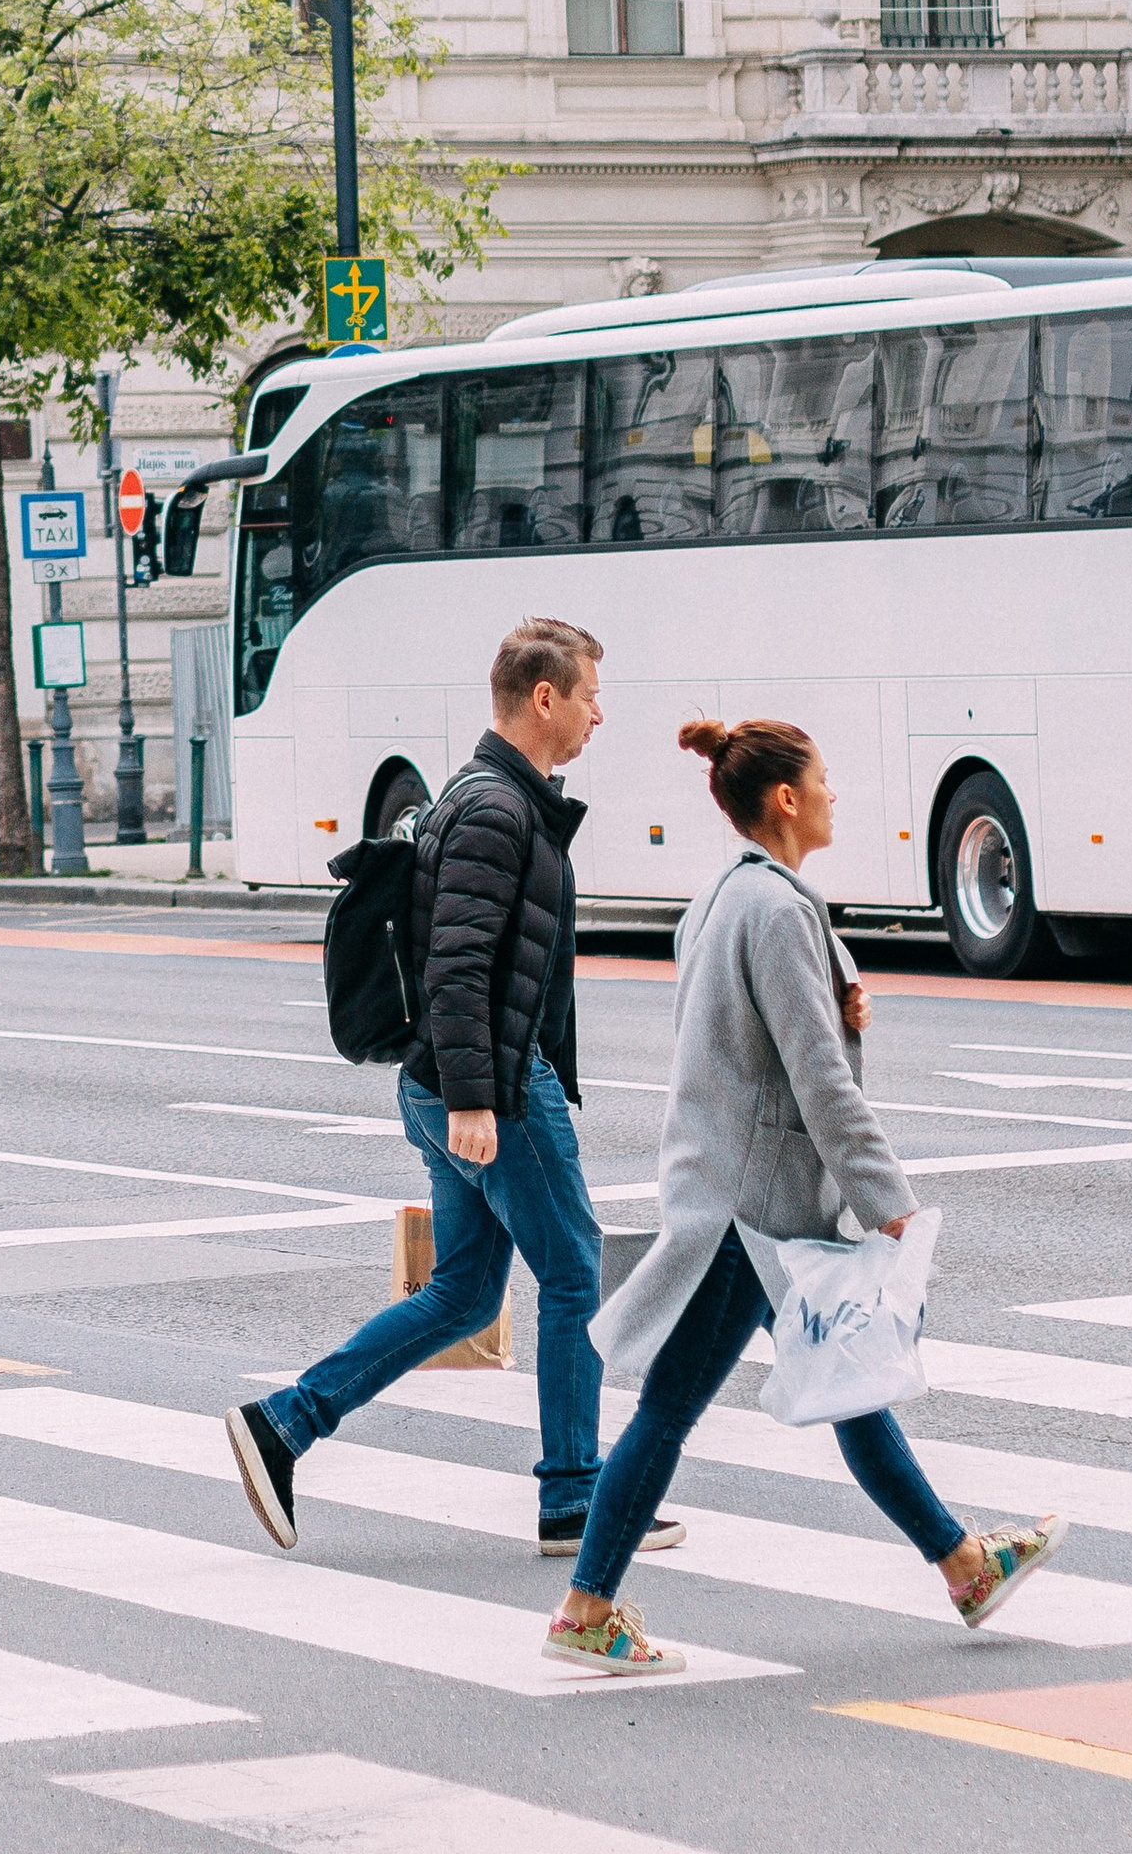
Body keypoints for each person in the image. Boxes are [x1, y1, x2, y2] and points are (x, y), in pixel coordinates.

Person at [545, 713, 1064, 1676]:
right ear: (785, 798)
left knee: (851, 1386)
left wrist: (838, 1000)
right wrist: (891, 1204)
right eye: (823, 778)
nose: (833, 793)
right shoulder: (780, 910)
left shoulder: (726, 899)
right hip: (754, 1212)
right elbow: (820, 1082)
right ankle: (585, 1606)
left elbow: (747, 1035)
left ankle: (962, 1566)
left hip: (737, 1192)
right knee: (674, 1407)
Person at [228, 617, 674, 1567]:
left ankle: (283, 1425)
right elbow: (460, 967)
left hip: (455, 1083)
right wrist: (479, 1098)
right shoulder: (494, 810)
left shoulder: (499, 799)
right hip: (493, 1089)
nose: (602, 712)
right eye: (592, 694)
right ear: (544, 698)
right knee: (575, 1273)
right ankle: (576, 1500)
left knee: (466, 1294)